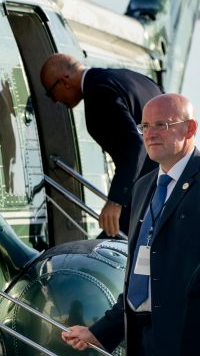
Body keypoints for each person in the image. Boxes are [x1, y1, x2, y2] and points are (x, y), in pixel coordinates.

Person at [61, 94, 200, 356]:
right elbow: (141, 278)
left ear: (190, 129)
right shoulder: (143, 188)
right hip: (144, 350)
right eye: (145, 126)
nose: (150, 134)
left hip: (188, 350)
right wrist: (100, 331)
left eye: (162, 125)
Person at [40, 54, 162, 237]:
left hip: (147, 196)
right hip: (169, 186)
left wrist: (115, 201)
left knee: (102, 253)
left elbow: (134, 143)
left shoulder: (98, 92)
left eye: (50, 92)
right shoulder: (132, 78)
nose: (55, 100)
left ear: (64, 81)